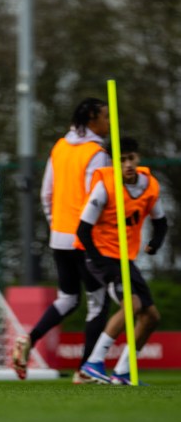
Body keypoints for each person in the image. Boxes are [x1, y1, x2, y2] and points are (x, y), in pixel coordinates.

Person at [12, 98, 111, 382]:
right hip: (85, 239)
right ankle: (86, 370)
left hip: (60, 237)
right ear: (92, 117)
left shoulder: (60, 146)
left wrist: (57, 225)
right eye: (104, 116)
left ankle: (29, 339)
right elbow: (97, 199)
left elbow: (47, 193)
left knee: (68, 298)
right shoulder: (96, 153)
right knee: (97, 302)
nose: (108, 122)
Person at [76, 137, 167, 385]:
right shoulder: (105, 185)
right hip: (101, 257)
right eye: (121, 160)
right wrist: (101, 263)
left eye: (131, 158)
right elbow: (83, 230)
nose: (127, 164)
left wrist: (155, 243)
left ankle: (123, 372)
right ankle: (93, 363)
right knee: (132, 305)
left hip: (125, 258)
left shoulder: (149, 185)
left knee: (151, 317)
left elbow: (161, 222)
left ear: (138, 158)